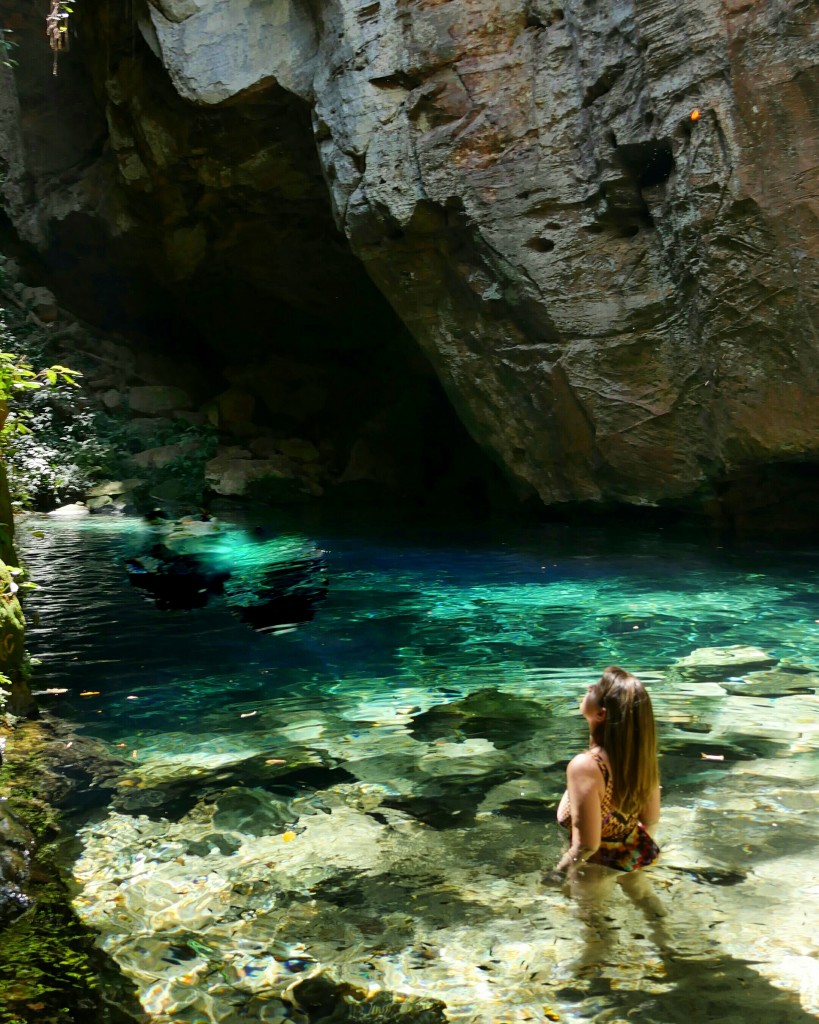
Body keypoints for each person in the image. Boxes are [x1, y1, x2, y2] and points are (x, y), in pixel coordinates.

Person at [549, 665, 661, 882]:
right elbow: (651, 819)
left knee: (589, 915)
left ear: (601, 714)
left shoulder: (587, 767)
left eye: (596, 688)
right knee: (649, 907)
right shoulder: (640, 760)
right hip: (631, 851)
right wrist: (630, 860)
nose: (590, 686)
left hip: (594, 864)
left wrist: (557, 876)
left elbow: (586, 845)